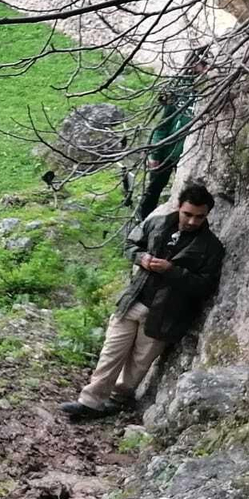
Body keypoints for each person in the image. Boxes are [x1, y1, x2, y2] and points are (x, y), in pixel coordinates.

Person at [60, 183, 225, 420]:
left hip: (167, 313)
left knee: (139, 362)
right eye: (188, 214)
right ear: (179, 207)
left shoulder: (212, 248)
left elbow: (206, 286)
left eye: (199, 217)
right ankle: (89, 402)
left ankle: (118, 401)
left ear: (207, 215)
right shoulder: (157, 224)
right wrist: (142, 258)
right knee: (111, 352)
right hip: (134, 299)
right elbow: (129, 245)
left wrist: (172, 271)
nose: (191, 221)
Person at [136, 50, 206, 219]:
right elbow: (163, 123)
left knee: (186, 194)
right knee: (153, 189)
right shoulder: (178, 87)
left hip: (190, 156)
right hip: (169, 150)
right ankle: (142, 222)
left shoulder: (209, 90)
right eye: (202, 64)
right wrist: (155, 153)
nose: (205, 69)